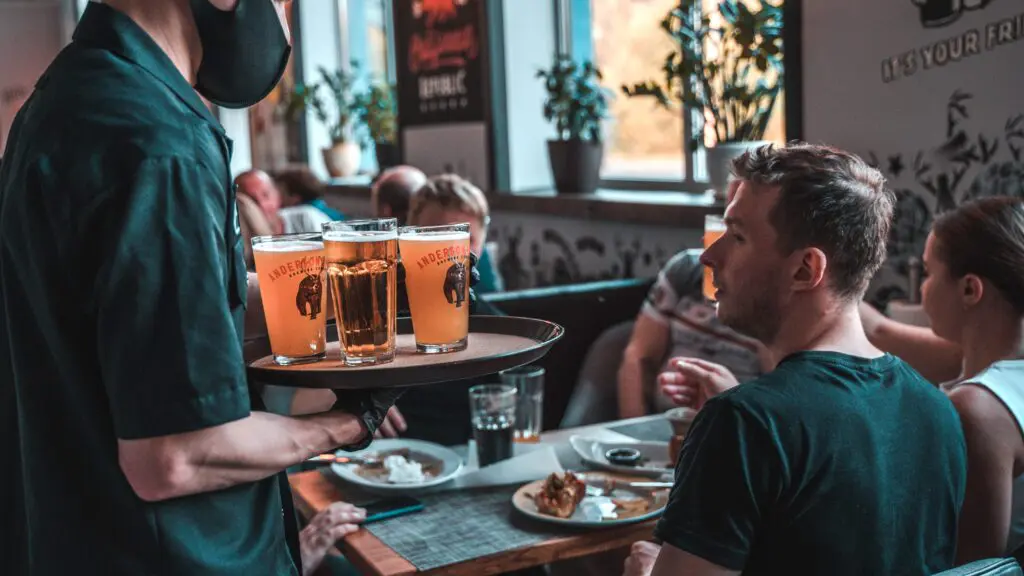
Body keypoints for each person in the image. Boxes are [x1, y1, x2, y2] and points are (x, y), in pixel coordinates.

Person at [0, 1, 402, 574]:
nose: (282, 21)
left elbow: (164, 308)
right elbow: (175, 456)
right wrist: (348, 422)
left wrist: (356, 297)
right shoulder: (158, 142)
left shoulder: (60, 101)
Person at [623, 143, 966, 576]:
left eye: (739, 236)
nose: (711, 256)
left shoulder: (743, 424)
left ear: (805, 269)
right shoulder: (938, 412)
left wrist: (646, 572)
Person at [860, 197, 1024, 563]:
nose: (922, 288)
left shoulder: (978, 410)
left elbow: (970, 565)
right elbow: (881, 332)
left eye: (930, 273)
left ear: (970, 290)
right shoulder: (995, 368)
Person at [616, 249, 769, 420]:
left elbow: (780, 398)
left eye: (738, 234)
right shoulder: (686, 270)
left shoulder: (779, 294)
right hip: (666, 420)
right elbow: (637, 356)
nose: (707, 251)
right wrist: (637, 431)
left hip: (737, 425)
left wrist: (731, 403)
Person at [236, 168, 332, 234]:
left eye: (266, 195)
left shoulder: (306, 218)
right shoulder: (239, 241)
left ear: (277, 195)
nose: (262, 204)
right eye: (252, 200)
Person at [274, 166, 345, 220]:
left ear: (295, 198)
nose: (276, 197)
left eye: (280, 193)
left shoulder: (305, 218)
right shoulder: (333, 213)